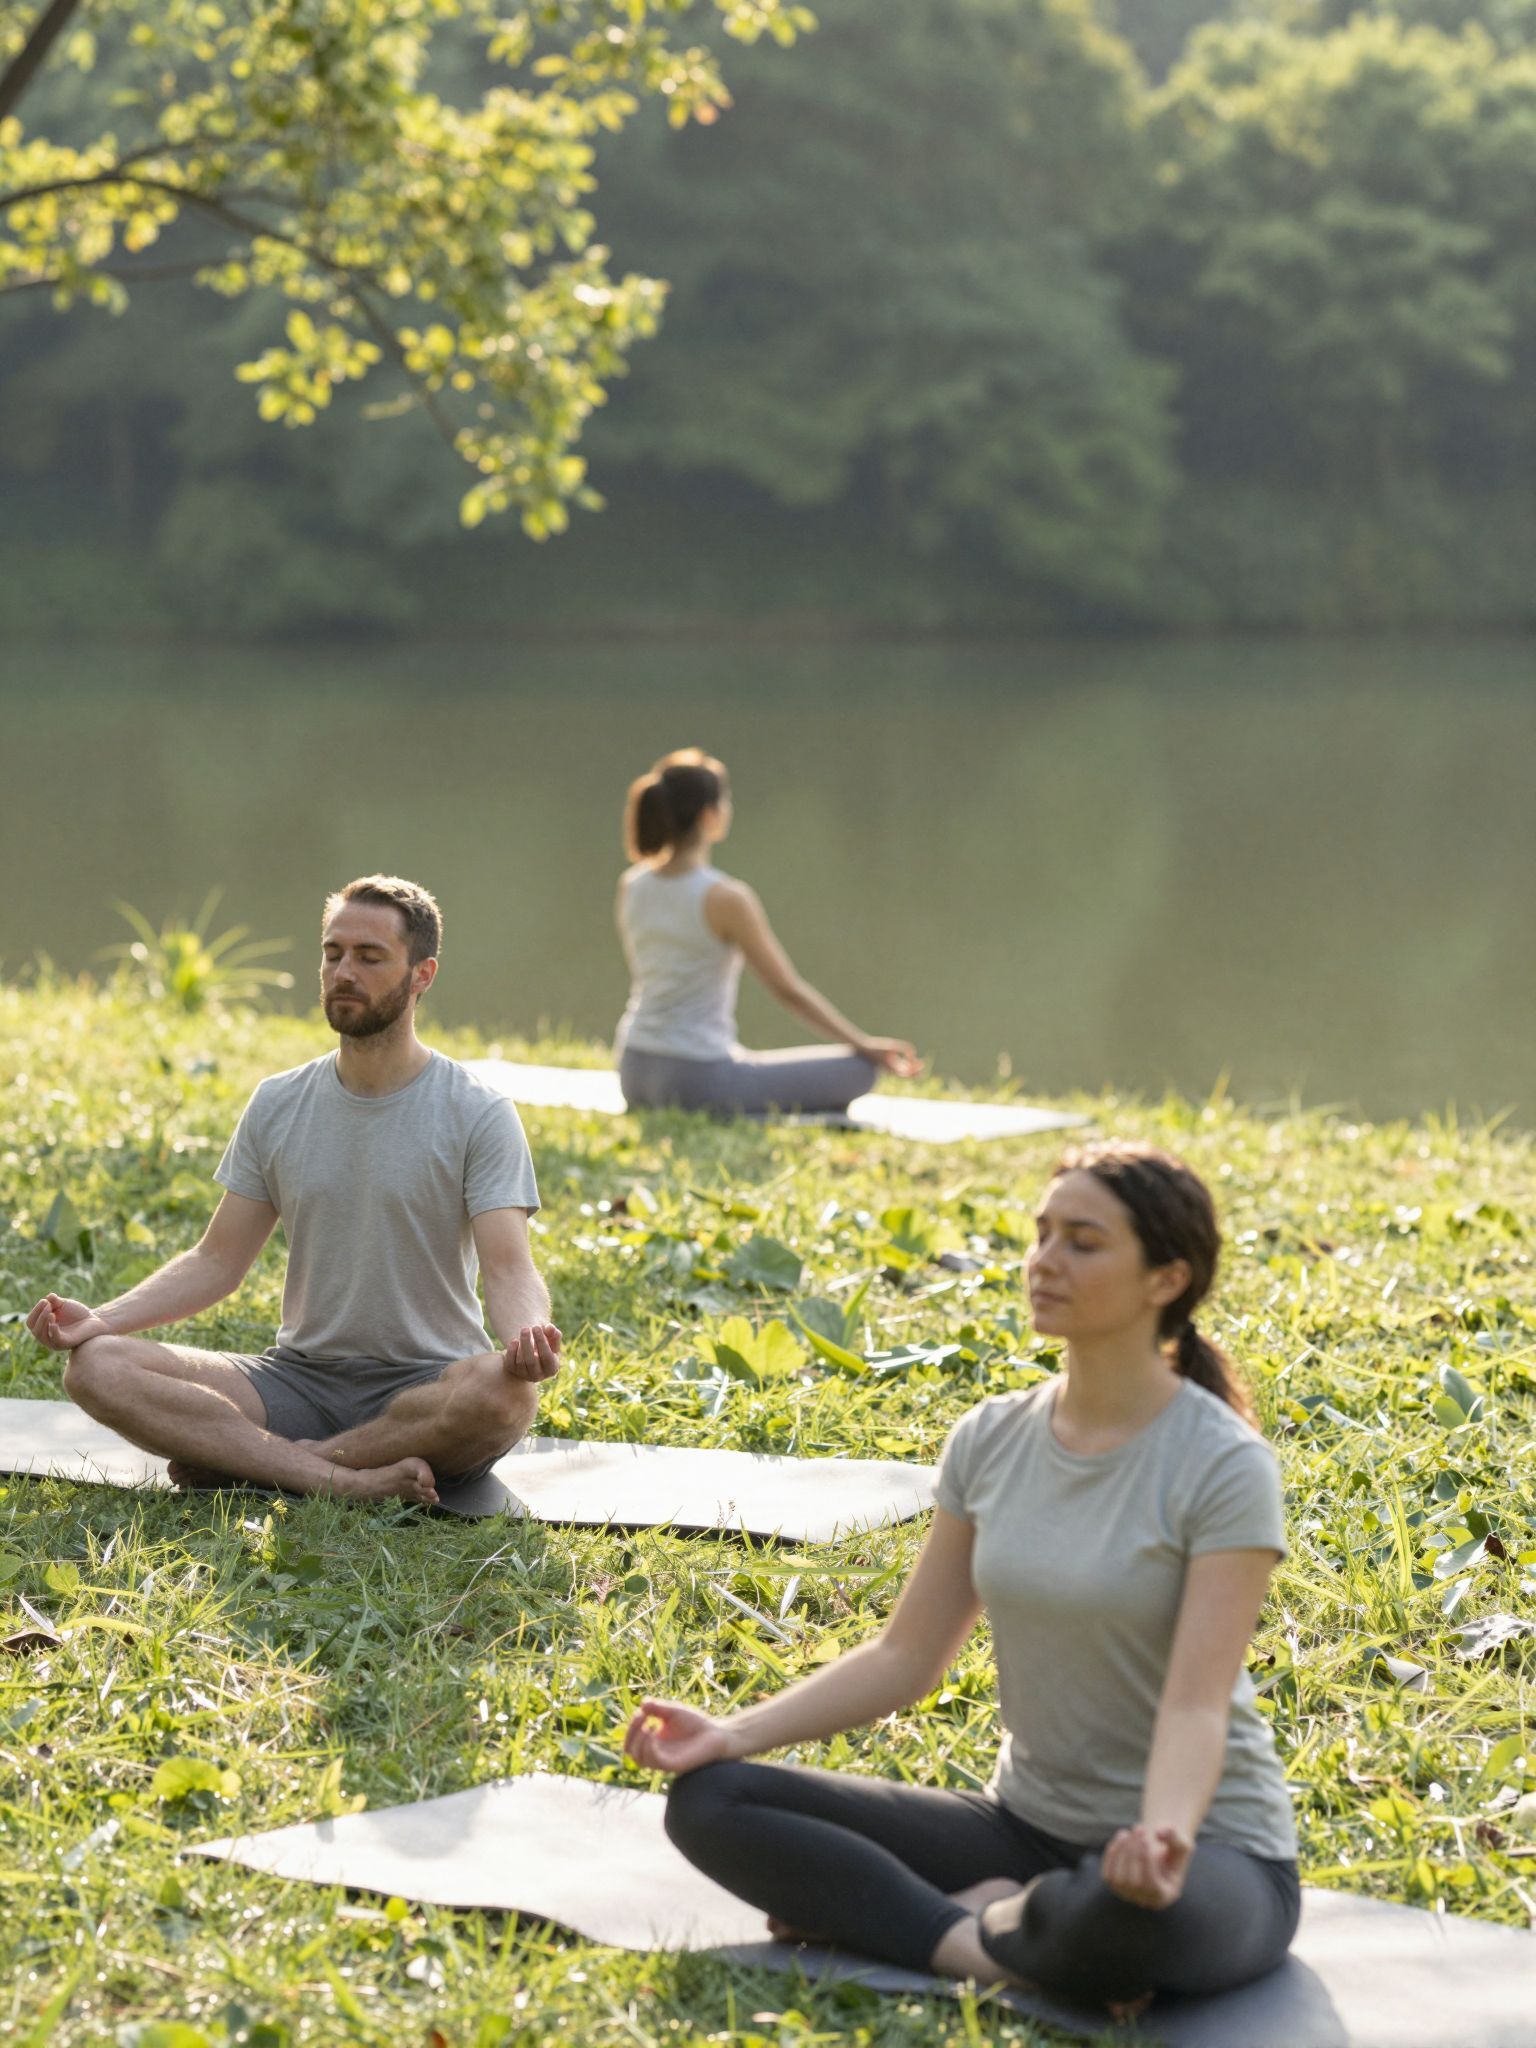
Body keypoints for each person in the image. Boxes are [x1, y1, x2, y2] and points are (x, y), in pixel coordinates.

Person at [624, 1142, 1299, 2013]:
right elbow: (905, 1658)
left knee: (1129, 1921)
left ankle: (939, 1919)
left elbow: (1196, 1704)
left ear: (1165, 1280)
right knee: (713, 1801)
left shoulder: (1222, 1465)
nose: (1044, 1261)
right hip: (1024, 1829)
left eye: (1084, 1243)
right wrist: (731, 1734)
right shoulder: (991, 1438)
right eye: (1042, 1233)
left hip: (1208, 1848)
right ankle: (980, 1939)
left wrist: (1163, 1838)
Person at [27, 875, 561, 1514]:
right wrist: (103, 1320)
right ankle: (342, 1478)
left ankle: (265, 1464)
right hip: (297, 1380)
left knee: (504, 1397)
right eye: (333, 953)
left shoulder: (478, 1112)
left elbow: (508, 1266)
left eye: (369, 957)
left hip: (429, 1385)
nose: (343, 972)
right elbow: (217, 1261)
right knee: (96, 1367)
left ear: (422, 975)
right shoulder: (279, 1102)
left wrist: (527, 1336)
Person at [613, 748, 920, 1115]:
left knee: (754, 1063)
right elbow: (788, 991)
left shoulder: (632, 884)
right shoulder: (726, 898)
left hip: (633, 1069)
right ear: (709, 815)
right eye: (726, 799)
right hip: (698, 1079)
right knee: (859, 1070)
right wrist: (864, 1044)